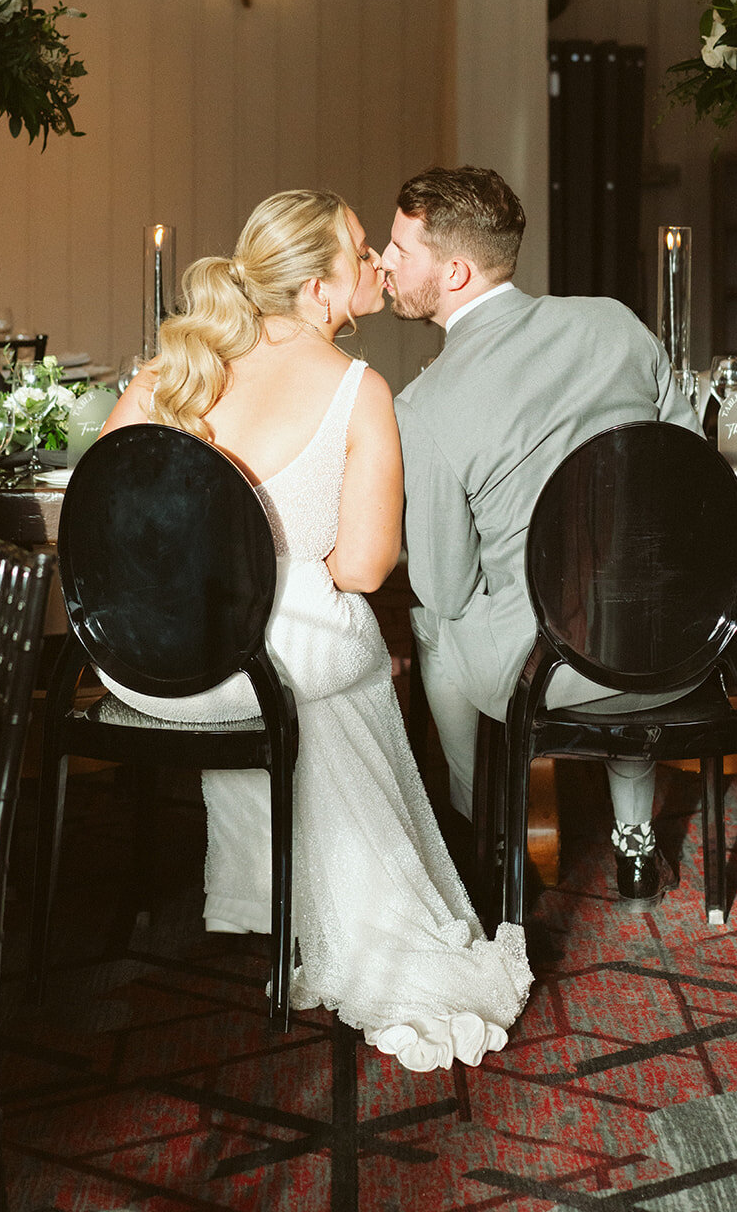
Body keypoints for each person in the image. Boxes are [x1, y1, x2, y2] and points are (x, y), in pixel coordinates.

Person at [100, 189, 531, 1070]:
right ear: (318, 286)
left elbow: (108, 530)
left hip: (141, 667)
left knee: (305, 644)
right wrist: (281, 579)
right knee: (337, 640)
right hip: (249, 675)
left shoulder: (169, 371)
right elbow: (366, 571)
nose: (376, 261)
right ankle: (337, 917)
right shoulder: (357, 389)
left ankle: (265, 895)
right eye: (362, 247)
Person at [381, 166, 701, 905]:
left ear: (454, 270)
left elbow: (443, 584)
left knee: (432, 615)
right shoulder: (615, 322)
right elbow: (689, 474)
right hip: (683, 649)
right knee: (621, 589)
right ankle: (633, 839)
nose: (384, 261)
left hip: (552, 671)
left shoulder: (424, 404)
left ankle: (484, 833)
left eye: (400, 248)